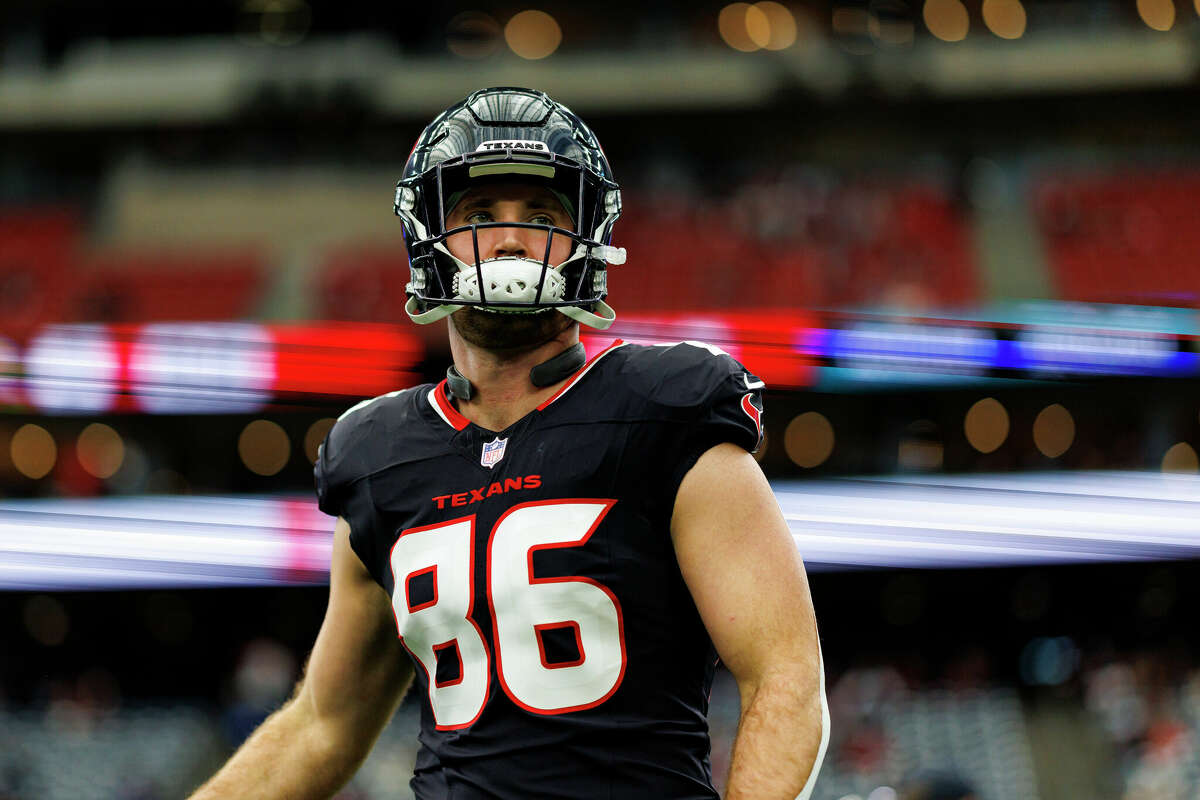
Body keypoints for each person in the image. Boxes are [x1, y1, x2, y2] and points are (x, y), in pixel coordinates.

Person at [189, 87, 828, 800]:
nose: (514, 238)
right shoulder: (378, 455)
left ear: (588, 236)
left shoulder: (664, 409)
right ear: (428, 236)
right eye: (481, 215)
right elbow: (322, 725)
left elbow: (785, 676)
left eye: (543, 214)